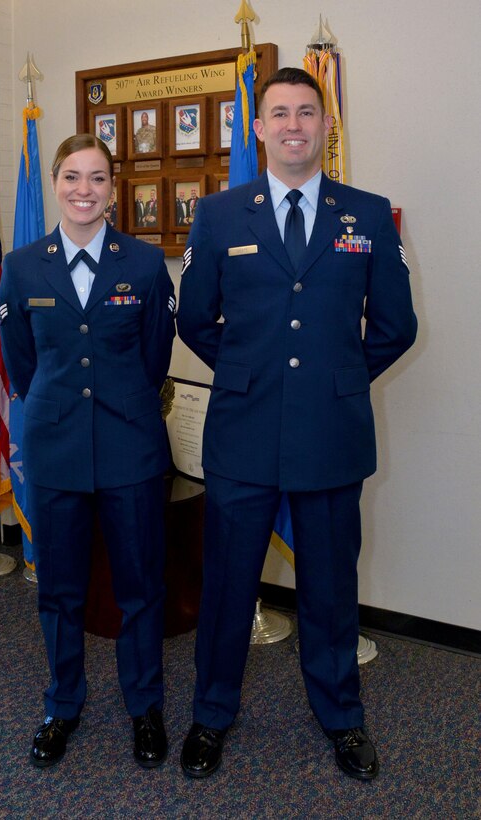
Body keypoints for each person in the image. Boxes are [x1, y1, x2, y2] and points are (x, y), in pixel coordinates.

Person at [176, 67, 417, 781]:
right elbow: (194, 319)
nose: (292, 125)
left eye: (306, 112)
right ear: (257, 128)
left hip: (331, 433)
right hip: (242, 432)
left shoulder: (369, 215)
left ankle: (342, 717)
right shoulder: (220, 215)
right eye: (278, 112)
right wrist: (258, 376)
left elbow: (396, 327)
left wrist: (336, 379)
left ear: (325, 126)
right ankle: (210, 716)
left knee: (330, 587)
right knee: (226, 587)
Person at [0, 134, 175, 770]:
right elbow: (21, 363)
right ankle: (62, 704)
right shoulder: (21, 266)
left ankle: (145, 706)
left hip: (130, 445)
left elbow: (155, 357)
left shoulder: (145, 263)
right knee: (61, 590)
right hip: (55, 447)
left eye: (97, 178)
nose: (84, 190)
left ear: (112, 187)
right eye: (72, 177)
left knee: (140, 588)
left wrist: (122, 401)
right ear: (54, 181)